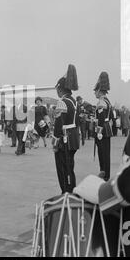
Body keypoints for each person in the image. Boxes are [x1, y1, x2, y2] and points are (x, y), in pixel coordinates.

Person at [53, 64, 79, 194]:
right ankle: (71, 191)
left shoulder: (62, 102)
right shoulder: (74, 101)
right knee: (70, 168)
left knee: (63, 169)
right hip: (73, 138)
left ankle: (66, 193)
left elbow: (58, 125)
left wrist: (55, 141)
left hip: (64, 140)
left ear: (60, 89)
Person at [94, 72, 113, 181]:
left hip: (103, 130)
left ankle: (104, 174)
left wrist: (99, 132)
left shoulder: (101, 102)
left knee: (103, 153)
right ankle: (106, 173)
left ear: (99, 91)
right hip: (107, 128)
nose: (94, 93)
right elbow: (109, 116)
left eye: (95, 91)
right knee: (106, 153)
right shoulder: (107, 101)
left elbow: (101, 119)